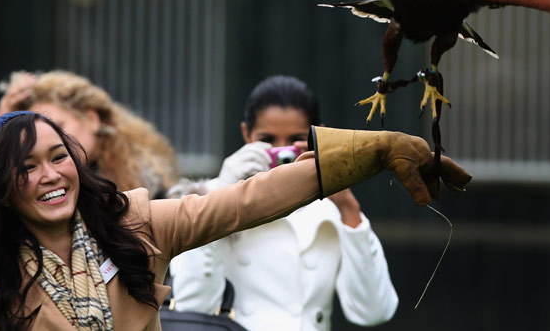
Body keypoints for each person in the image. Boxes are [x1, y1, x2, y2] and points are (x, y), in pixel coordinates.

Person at [0, 110, 470, 331]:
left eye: (57, 156)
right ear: (1, 191)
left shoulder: (134, 224)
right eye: (26, 167)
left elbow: (247, 201)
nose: (50, 175)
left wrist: (373, 150)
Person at [169, 76, 398, 330]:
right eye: (267, 140)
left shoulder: (331, 207)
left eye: (295, 140)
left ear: (318, 135)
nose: (283, 152)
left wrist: (348, 208)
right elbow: (192, 303)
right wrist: (221, 197)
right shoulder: (211, 196)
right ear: (247, 134)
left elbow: (373, 311)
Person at [0, 70, 179, 198]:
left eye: (58, 127)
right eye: (37, 133)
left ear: (92, 119)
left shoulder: (149, 185)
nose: (50, 138)